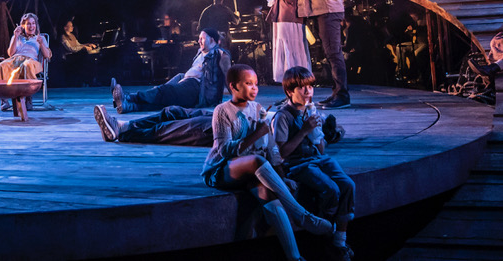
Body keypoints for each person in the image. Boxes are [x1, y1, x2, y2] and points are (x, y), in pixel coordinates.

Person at [202, 64, 334, 261]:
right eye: (248, 83)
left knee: (267, 192)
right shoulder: (222, 111)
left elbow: (271, 147)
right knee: (256, 160)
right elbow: (224, 150)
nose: (254, 88)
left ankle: (295, 257)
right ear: (233, 86)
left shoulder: (257, 108)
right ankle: (300, 214)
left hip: (250, 170)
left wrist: (281, 177)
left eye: (256, 84)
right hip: (222, 169)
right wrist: (256, 134)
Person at [272, 66, 355, 259]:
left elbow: (321, 150)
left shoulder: (310, 111)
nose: (308, 91)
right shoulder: (283, 117)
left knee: (348, 185)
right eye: (302, 87)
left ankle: (340, 238)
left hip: (318, 159)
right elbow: (281, 153)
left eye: (311, 86)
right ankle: (327, 233)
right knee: (331, 189)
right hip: (298, 164)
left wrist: (317, 132)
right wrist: (304, 131)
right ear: (289, 91)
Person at [112, 29, 230, 114]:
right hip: (186, 80)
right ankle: (128, 106)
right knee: (163, 98)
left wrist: (236, 98)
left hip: (197, 88)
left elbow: (229, 77)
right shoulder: (201, 51)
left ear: (212, 40)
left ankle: (128, 97)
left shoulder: (220, 54)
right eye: (199, 38)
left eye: (202, 39)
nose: (199, 41)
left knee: (164, 91)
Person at [0, 12, 51, 111]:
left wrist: (41, 43)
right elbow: (11, 53)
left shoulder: (40, 38)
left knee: (26, 65)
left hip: (32, 61)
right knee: (2, 65)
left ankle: (28, 99)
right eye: (28, 23)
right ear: (23, 25)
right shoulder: (17, 37)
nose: (31, 26)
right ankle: (4, 100)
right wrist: (15, 36)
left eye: (33, 23)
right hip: (16, 59)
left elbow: (47, 55)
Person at [93, 104, 214, 146]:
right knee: (172, 111)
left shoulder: (220, 55)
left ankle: (125, 133)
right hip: (224, 113)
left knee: (170, 129)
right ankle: (123, 126)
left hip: (228, 127)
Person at [58, 17, 99, 85]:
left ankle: (90, 79)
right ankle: (86, 80)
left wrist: (88, 44)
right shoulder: (63, 37)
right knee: (85, 57)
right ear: (65, 28)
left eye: (72, 26)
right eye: (70, 26)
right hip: (69, 57)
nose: (72, 27)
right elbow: (71, 49)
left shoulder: (72, 35)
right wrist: (84, 47)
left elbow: (78, 45)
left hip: (75, 55)